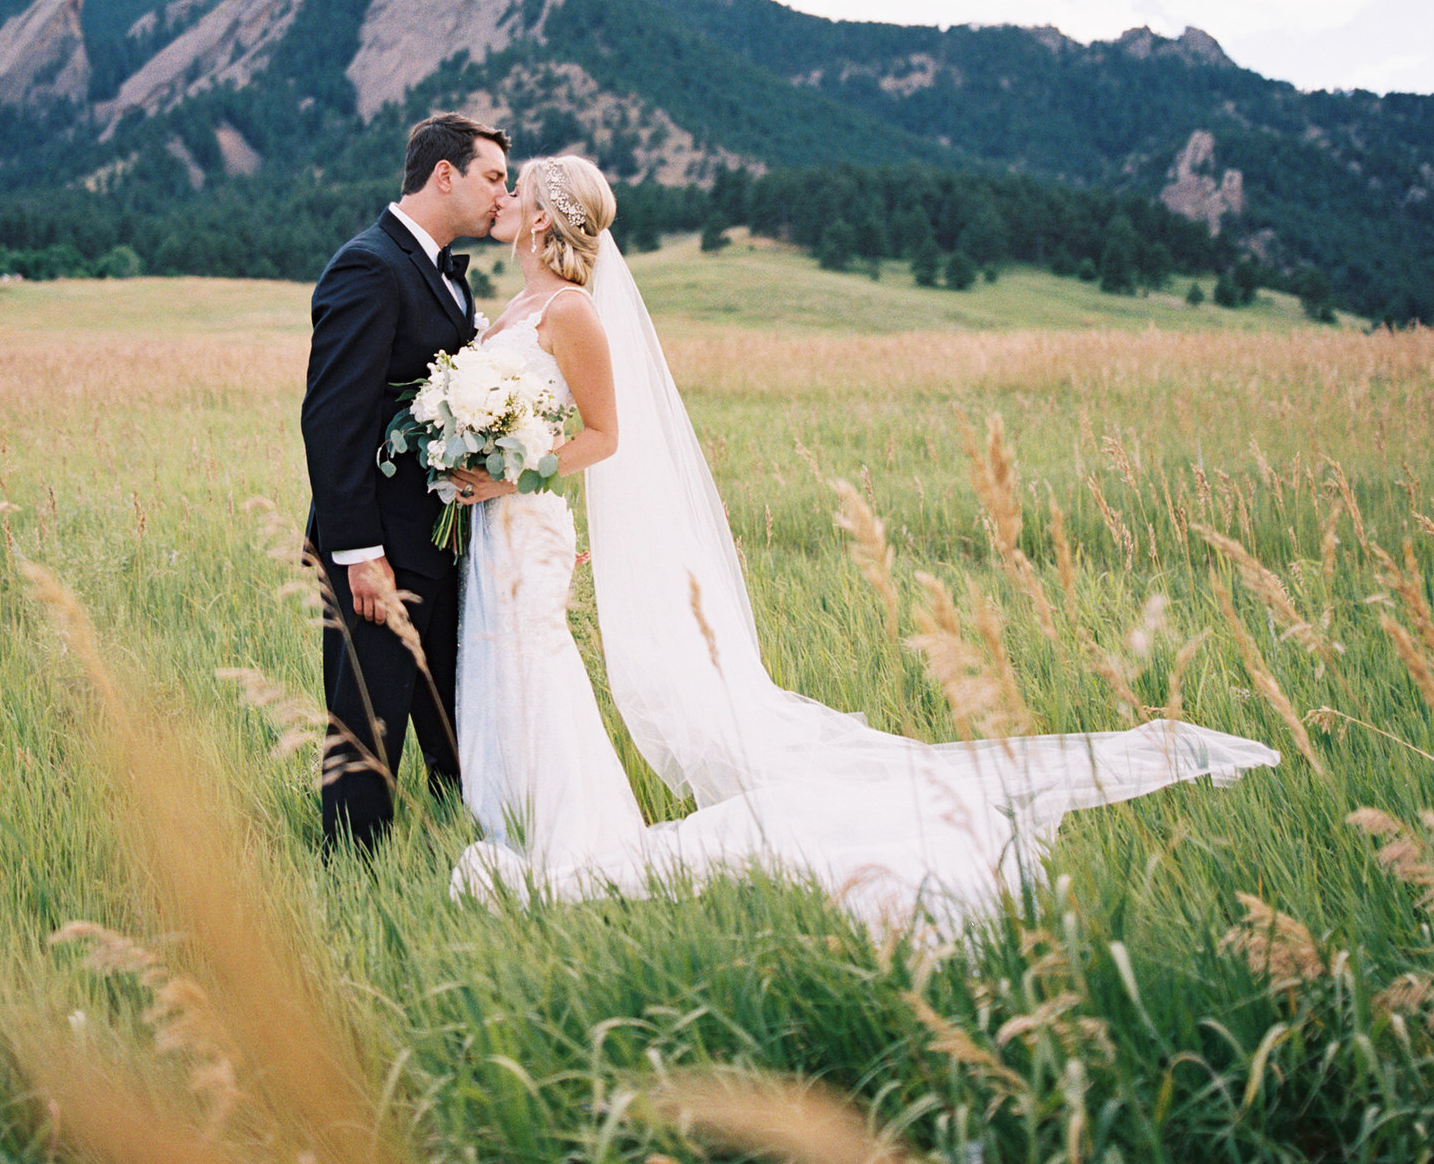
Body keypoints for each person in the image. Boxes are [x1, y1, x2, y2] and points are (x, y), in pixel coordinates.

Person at [444, 154, 1280, 937]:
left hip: (527, 518)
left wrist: (515, 472)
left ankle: (570, 836)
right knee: (509, 665)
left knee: (540, 663)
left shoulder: (576, 311)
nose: (504, 198)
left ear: (547, 222)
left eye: (518, 190)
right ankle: (518, 810)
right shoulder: (512, 309)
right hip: (494, 525)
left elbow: (606, 436)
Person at [300, 112, 510, 849]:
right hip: (383, 552)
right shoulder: (370, 265)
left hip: (445, 544)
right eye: (492, 178)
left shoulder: (447, 274)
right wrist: (358, 552)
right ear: (444, 174)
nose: (502, 197)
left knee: (455, 721)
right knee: (368, 727)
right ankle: (352, 876)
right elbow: (334, 419)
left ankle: (458, 846)